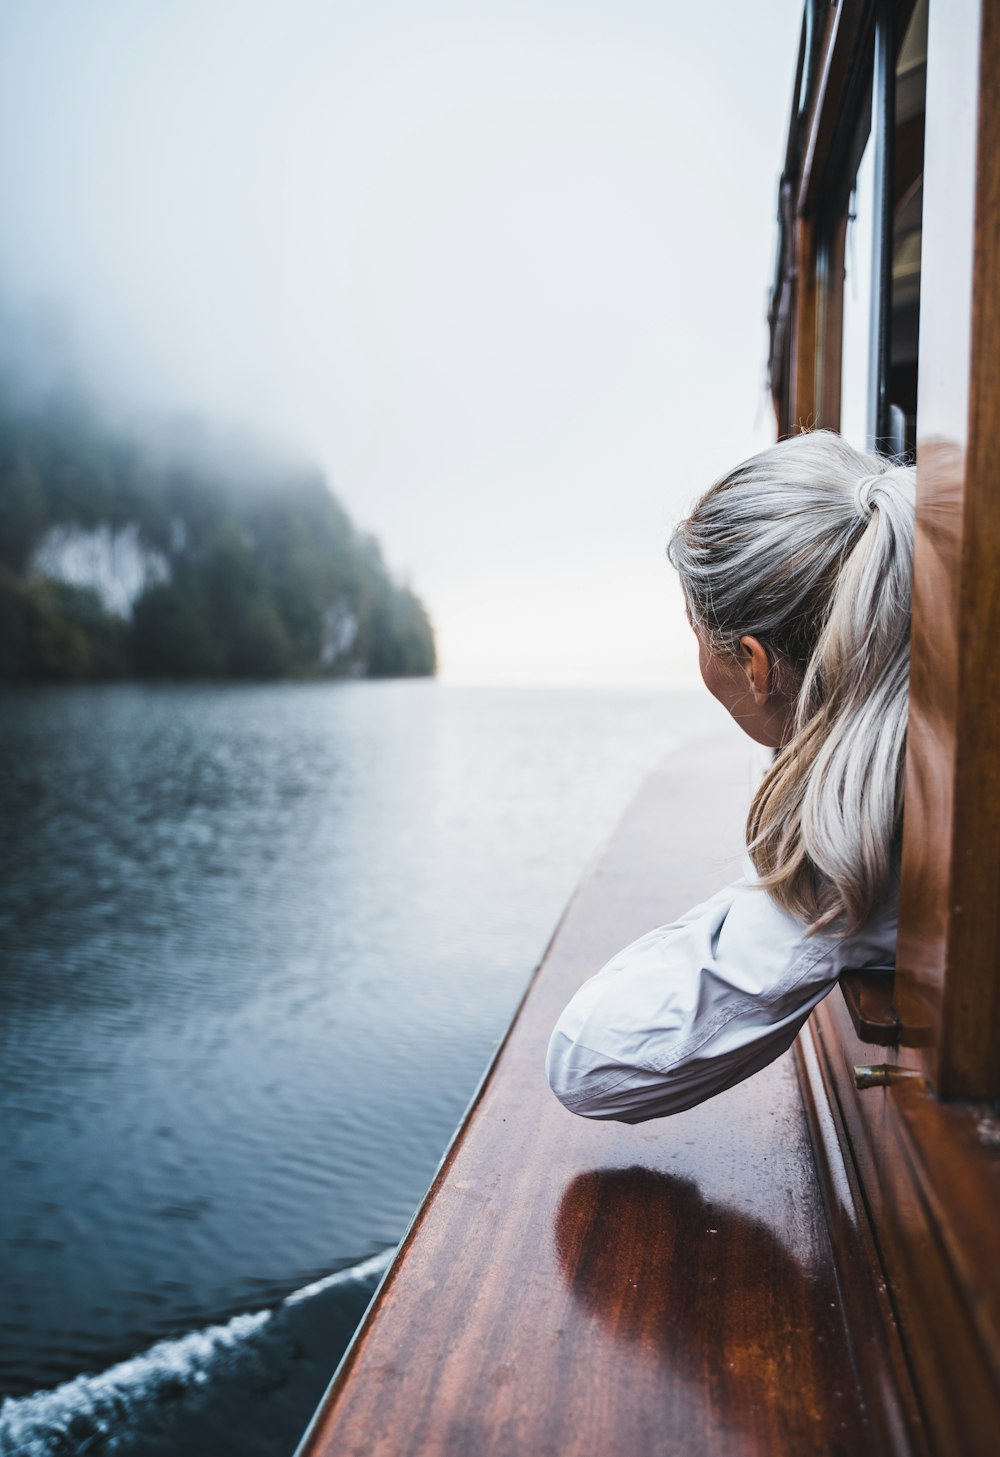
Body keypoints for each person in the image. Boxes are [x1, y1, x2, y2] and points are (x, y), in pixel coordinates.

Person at [546, 429, 915, 1122]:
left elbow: (587, 1060)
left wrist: (784, 881)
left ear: (756, 664)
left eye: (695, 636)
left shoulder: (875, 837)